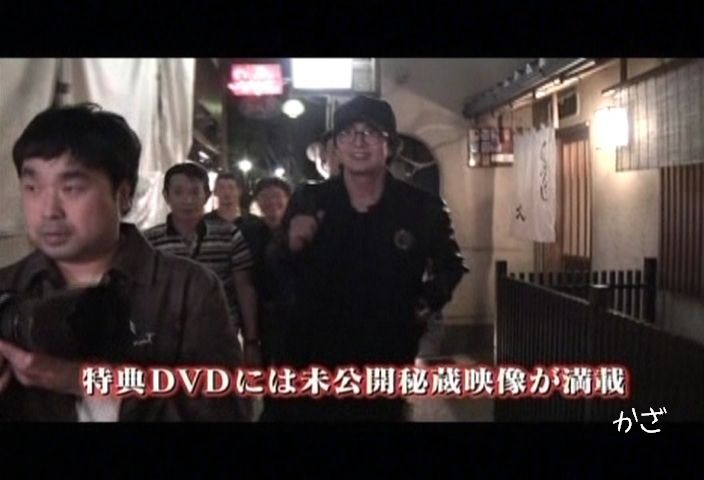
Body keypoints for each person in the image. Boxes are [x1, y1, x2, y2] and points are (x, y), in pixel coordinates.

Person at [0, 103, 245, 421]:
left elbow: (226, 410)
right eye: (32, 187)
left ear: (124, 194)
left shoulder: (188, 288)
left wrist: (87, 382)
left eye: (71, 188)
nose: (48, 210)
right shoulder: (8, 287)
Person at [283, 95, 468, 421]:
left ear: (390, 145)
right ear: (336, 146)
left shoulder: (420, 207)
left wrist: (420, 307)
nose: (358, 141)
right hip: (317, 352)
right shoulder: (310, 199)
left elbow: (450, 265)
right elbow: (275, 272)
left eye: (370, 132)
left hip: (388, 350)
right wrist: (289, 244)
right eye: (347, 133)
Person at [143, 163, 261, 367]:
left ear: (206, 196)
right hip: (167, 342)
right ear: (166, 196)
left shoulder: (229, 235)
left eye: (194, 192)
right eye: (178, 192)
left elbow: (244, 288)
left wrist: (251, 341)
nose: (187, 200)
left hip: (220, 339)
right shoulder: (150, 241)